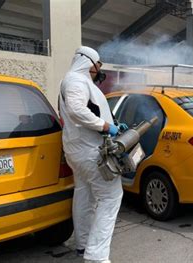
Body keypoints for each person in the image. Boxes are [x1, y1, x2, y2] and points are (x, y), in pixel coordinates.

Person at [59, 46, 122, 263]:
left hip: (78, 151)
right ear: (88, 62)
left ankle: (83, 244)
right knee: (111, 197)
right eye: (98, 65)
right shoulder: (77, 80)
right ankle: (96, 256)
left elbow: (86, 108)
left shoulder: (73, 80)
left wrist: (111, 122)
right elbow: (77, 109)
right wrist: (106, 126)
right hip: (90, 152)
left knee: (83, 194)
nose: (98, 70)